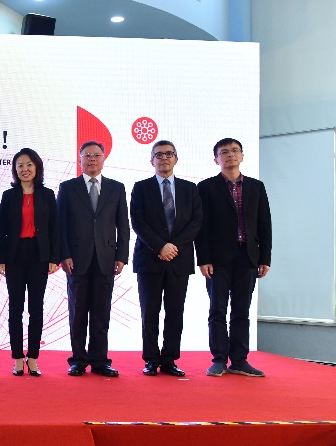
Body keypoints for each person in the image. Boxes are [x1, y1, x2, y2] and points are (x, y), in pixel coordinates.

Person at [195, 137, 272, 377]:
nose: (230, 155)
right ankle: (219, 359)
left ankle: (239, 360)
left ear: (242, 156)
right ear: (216, 159)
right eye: (224, 152)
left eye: (235, 151)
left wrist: (265, 258)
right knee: (217, 310)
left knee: (241, 311)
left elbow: (264, 223)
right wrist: (203, 258)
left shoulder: (256, 187)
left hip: (247, 256)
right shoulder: (206, 187)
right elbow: (201, 227)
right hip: (218, 259)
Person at [129, 140, 203, 377]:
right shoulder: (141, 188)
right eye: (159, 155)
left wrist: (173, 247)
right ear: (152, 160)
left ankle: (170, 359)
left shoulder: (190, 189)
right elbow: (138, 222)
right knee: (149, 312)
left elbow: (196, 222)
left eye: (169, 154)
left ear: (176, 159)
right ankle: (151, 359)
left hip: (179, 260)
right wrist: (160, 246)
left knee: (175, 312)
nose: (164, 158)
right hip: (149, 259)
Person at [57, 141, 130, 377]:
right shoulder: (68, 188)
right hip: (76, 259)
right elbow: (61, 224)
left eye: (96, 155)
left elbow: (123, 225)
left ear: (103, 159)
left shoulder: (116, 188)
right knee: (77, 312)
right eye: (87, 155)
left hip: (106, 258)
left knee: (101, 313)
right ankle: (78, 360)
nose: (92, 159)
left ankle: (100, 361)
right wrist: (64, 255)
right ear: (80, 160)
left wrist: (121, 256)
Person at [0, 147, 60, 377]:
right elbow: (2, 229)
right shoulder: (9, 196)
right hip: (14, 256)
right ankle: (17, 358)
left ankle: (33, 357)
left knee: (36, 308)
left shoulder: (47, 195)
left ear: (37, 167)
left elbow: (55, 228)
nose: (25, 169)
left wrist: (54, 258)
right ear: (15, 170)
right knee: (15, 308)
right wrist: (0, 259)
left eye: (29, 165)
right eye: (20, 165)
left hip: (39, 256)